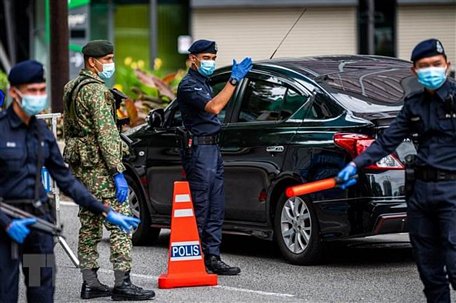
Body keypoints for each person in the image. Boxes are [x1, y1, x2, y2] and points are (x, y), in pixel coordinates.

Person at [0, 60, 140, 303]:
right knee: (6, 292)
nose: (38, 96)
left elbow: (67, 181)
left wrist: (106, 211)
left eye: (41, 90)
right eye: (31, 91)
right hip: (7, 227)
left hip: (37, 226)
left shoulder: (41, 132)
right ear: (14, 92)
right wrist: (5, 221)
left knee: (40, 291)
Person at [337, 38, 456, 303]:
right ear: (414, 71)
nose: (431, 70)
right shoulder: (414, 104)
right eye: (424, 66)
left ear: (447, 65)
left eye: (436, 64)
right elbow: (387, 140)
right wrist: (355, 164)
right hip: (422, 194)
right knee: (429, 271)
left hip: (453, 191)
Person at [62, 40, 154, 301]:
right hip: (102, 169)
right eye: (108, 59)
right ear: (93, 61)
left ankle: (90, 283)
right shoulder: (96, 91)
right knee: (120, 224)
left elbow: (70, 130)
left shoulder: (71, 87)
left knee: (89, 224)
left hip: (82, 166)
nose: (111, 64)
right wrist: (117, 171)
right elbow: (106, 135)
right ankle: (123, 283)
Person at [176, 39, 252, 275]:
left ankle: (213, 257)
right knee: (202, 206)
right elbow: (214, 108)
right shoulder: (189, 85)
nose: (210, 62)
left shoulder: (204, 82)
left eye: (213, 58)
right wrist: (233, 80)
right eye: (206, 58)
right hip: (199, 151)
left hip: (213, 150)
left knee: (216, 207)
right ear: (193, 59)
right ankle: (194, 257)